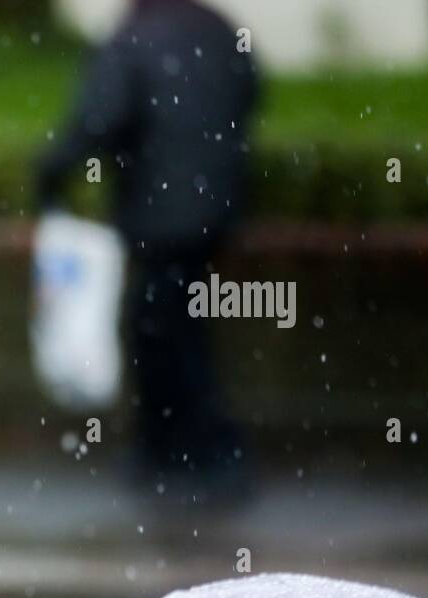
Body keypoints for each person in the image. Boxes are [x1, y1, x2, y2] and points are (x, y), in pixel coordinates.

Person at [36, 0, 260, 506]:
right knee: (176, 323)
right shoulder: (218, 28)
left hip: (161, 215)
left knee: (163, 330)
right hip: (216, 208)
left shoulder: (131, 38)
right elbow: (250, 91)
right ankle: (174, 452)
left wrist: (51, 173)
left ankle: (196, 454)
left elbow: (100, 117)